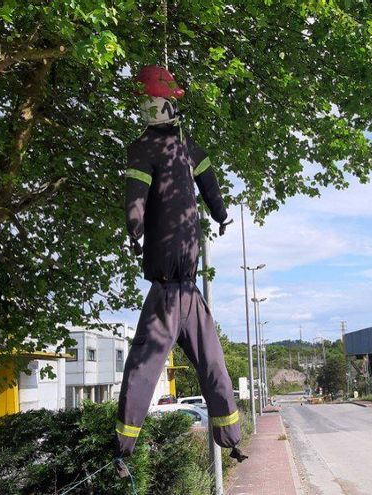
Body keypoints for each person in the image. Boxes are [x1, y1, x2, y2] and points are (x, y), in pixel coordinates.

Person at [114, 65, 246, 469]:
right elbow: (200, 189)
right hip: (181, 291)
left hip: (179, 291)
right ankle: (229, 440)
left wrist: (135, 226)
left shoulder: (162, 148)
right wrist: (219, 214)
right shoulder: (173, 148)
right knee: (205, 367)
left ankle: (230, 439)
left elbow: (147, 195)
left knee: (154, 367)